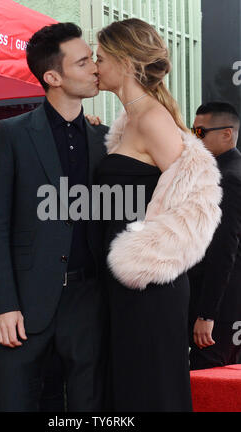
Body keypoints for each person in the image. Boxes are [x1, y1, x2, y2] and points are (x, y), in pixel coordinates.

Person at [0, 22, 108, 412]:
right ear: (52, 76)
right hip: (24, 305)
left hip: (89, 300)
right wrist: (2, 305)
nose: (95, 69)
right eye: (84, 62)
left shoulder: (105, 139)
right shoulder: (13, 133)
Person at [95, 18, 222, 411]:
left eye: (100, 58)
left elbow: (199, 204)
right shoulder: (130, 121)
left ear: (126, 61)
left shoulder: (151, 118)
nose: (94, 66)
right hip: (126, 286)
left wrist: (141, 259)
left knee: (150, 393)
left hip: (150, 287)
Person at [188, 102, 241, 369]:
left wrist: (206, 314)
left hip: (220, 311)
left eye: (200, 132)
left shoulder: (227, 178)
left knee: (209, 388)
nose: (194, 138)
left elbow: (223, 251)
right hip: (227, 305)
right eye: (192, 130)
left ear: (226, 134)